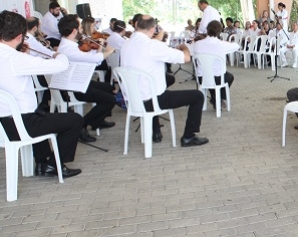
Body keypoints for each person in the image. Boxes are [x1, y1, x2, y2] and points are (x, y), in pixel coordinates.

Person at [0, 10, 82, 178]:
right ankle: (53, 165)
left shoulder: (13, 56)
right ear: (18, 36)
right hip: (19, 125)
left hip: (4, 124)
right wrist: (58, 54)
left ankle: (42, 163)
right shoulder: (14, 58)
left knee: (41, 114)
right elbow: (60, 66)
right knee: (75, 120)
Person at [121, 15, 208, 147]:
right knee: (197, 96)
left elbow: (151, 46)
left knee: (154, 87)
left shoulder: (126, 44)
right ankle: (189, 137)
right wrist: (183, 47)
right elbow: (186, 58)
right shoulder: (153, 46)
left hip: (132, 100)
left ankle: (156, 131)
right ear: (152, 29)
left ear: (136, 24)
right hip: (151, 101)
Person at [56, 15, 116, 143]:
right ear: (74, 31)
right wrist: (109, 52)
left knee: (109, 88)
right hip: (75, 87)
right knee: (110, 100)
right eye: (80, 27)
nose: (82, 29)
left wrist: (99, 48)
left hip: (80, 80)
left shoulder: (72, 44)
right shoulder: (67, 49)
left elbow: (88, 57)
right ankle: (82, 124)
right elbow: (93, 59)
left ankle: (98, 121)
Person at [194, 20, 239, 109]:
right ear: (219, 31)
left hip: (201, 78)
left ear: (207, 30)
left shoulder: (198, 44)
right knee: (229, 77)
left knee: (210, 76)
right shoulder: (222, 44)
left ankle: (215, 97)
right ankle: (218, 98)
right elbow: (237, 46)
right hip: (218, 79)